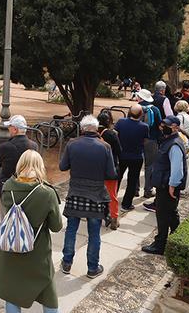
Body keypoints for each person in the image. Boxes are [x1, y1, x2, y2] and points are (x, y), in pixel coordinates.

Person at [0, 150, 63, 313]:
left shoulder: (8, 187)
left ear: (20, 164)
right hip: (37, 253)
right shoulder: (46, 192)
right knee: (49, 295)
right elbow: (56, 226)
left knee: (12, 294)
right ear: (39, 166)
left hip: (11, 248)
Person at [59, 115, 116, 278]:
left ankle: (67, 263)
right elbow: (111, 173)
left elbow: (63, 166)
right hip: (96, 195)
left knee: (71, 230)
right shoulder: (105, 147)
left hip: (75, 192)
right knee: (94, 233)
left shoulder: (72, 144)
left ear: (82, 129)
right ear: (97, 129)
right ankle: (92, 268)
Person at [141, 116, 188, 255]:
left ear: (175, 127)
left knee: (163, 216)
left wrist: (172, 185)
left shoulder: (173, 144)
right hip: (164, 184)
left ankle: (160, 245)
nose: (162, 127)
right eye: (162, 125)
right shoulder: (170, 141)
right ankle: (176, 238)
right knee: (171, 213)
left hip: (167, 186)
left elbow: (177, 169)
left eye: (166, 125)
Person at [0, 115, 39, 209]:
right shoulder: (34, 146)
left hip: (8, 189)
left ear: (15, 129)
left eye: (9, 127)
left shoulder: (6, 147)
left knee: (6, 220)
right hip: (27, 188)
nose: (8, 129)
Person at [114, 105, 148, 211]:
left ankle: (111, 198)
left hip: (122, 155)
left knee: (117, 178)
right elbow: (145, 141)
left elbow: (115, 135)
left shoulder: (121, 122)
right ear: (141, 114)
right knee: (132, 181)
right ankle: (126, 204)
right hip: (136, 156)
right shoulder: (144, 126)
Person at [134, 89, 162, 201]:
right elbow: (159, 124)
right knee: (150, 166)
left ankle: (135, 189)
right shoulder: (155, 109)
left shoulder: (135, 108)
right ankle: (148, 190)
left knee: (135, 165)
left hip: (137, 140)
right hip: (151, 140)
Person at [97, 111, 121, 229]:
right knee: (112, 195)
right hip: (111, 168)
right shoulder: (112, 134)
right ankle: (114, 219)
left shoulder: (94, 134)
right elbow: (119, 151)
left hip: (97, 168)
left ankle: (99, 215)